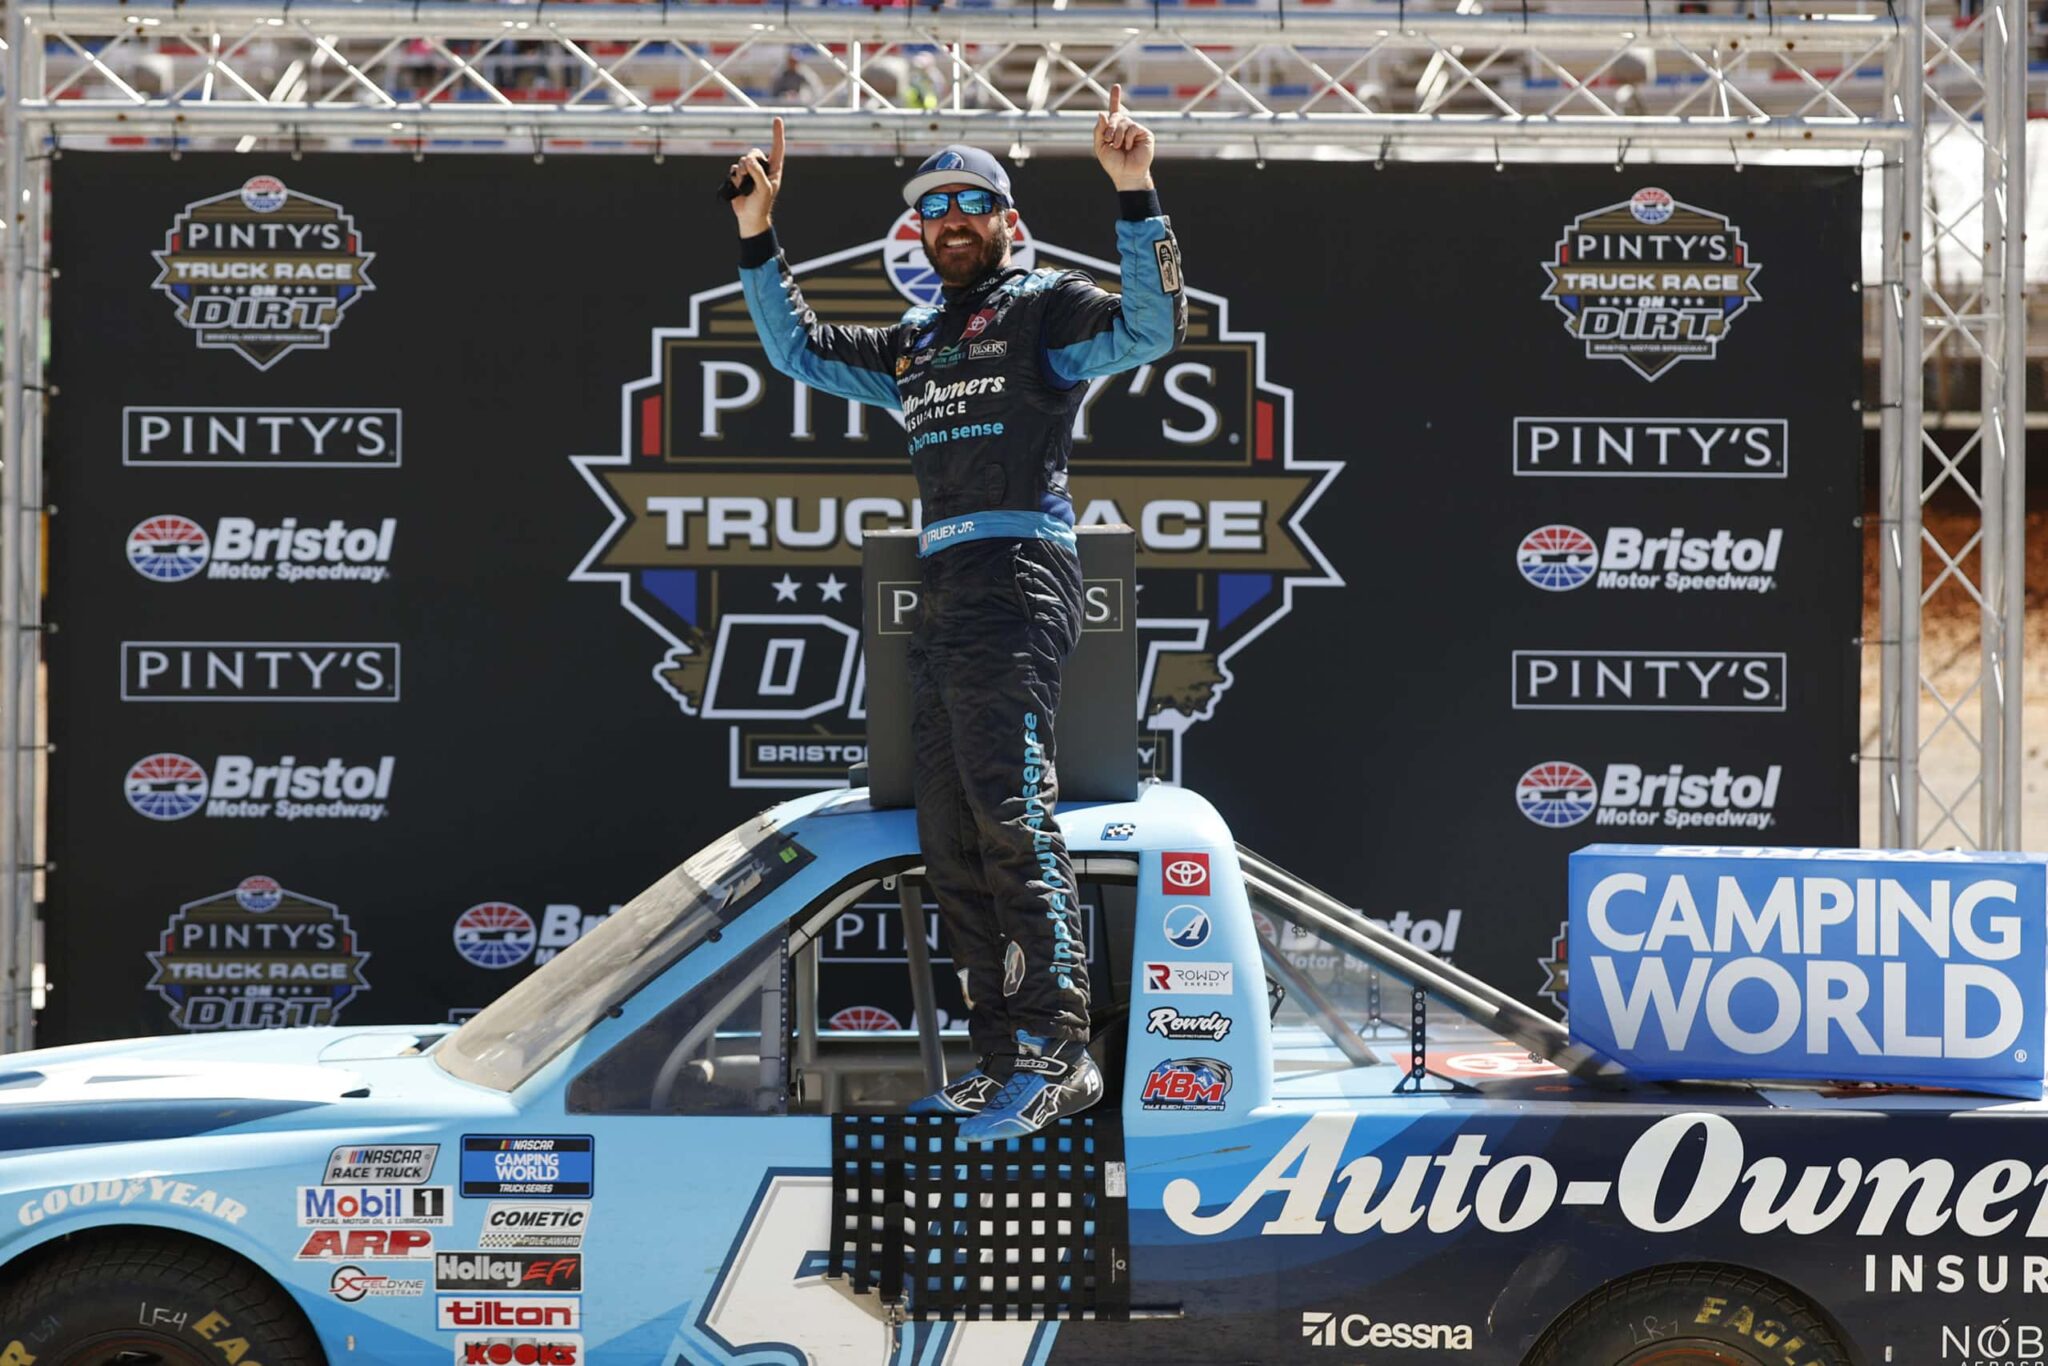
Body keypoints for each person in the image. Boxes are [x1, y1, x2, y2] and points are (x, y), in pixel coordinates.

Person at [726, 90, 1186, 1141]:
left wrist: (1135, 192)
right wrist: (757, 235)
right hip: (943, 588)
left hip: (1017, 572)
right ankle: (1000, 1058)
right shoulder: (916, 340)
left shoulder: (1043, 307)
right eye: (932, 209)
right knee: (951, 833)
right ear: (919, 233)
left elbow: (1151, 328)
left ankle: (1058, 1054)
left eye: (970, 203)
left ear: (1005, 219)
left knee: (1009, 813)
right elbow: (799, 351)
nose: (951, 221)